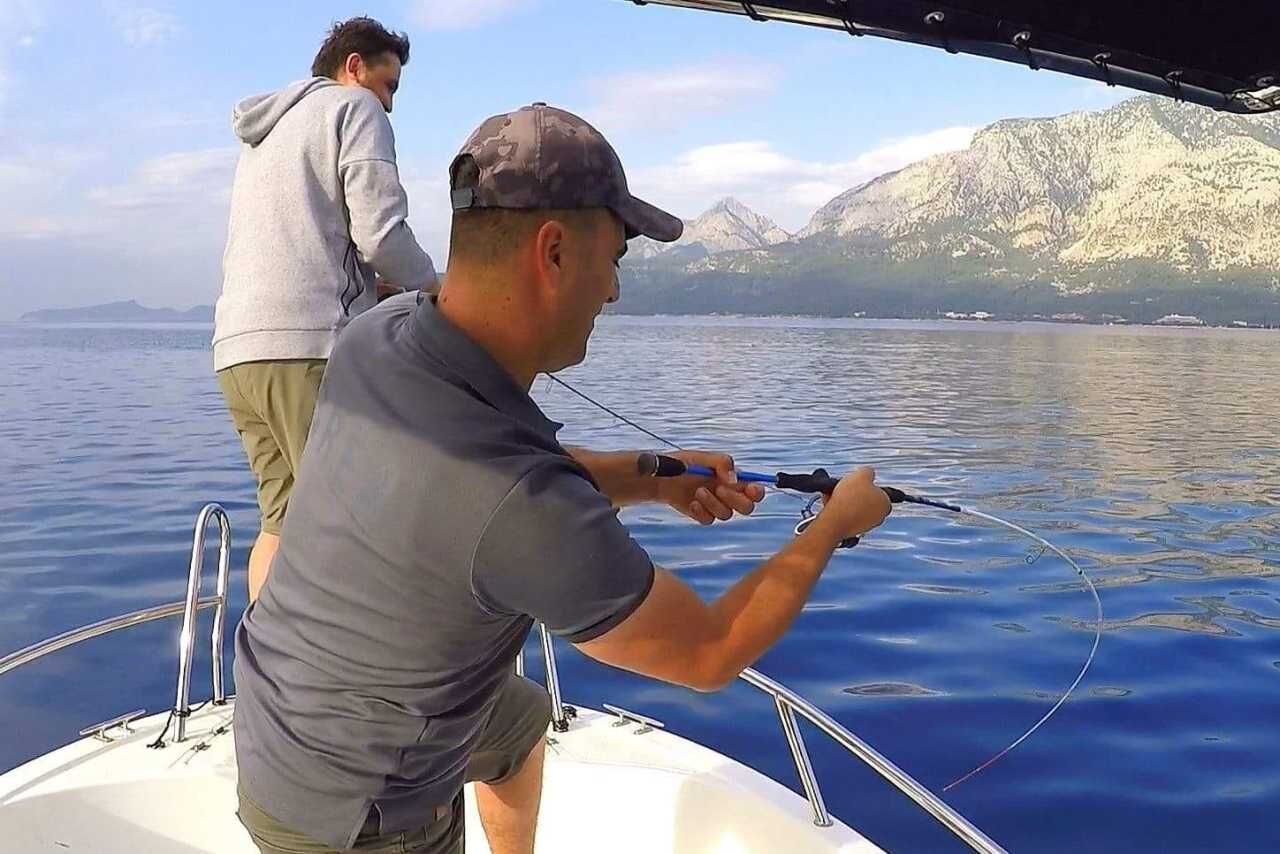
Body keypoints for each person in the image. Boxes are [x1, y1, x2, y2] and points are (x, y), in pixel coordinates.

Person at [231, 103, 892, 854]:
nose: (613, 291)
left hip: (277, 709)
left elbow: (476, 492)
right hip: (354, 813)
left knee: (517, 722)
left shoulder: (374, 337)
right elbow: (711, 649)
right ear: (552, 252)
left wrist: (654, 479)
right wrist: (834, 523)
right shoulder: (525, 504)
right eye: (614, 258)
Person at [213, 16, 437, 602]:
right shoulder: (354, 108)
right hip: (309, 349)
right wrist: (437, 289)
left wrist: (371, 289)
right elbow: (381, 236)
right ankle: (343, 663)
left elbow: (305, 243)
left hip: (238, 352)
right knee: (358, 529)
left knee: (281, 522)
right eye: (388, 85)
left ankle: (263, 655)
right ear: (354, 67)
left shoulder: (268, 131)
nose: (389, 104)